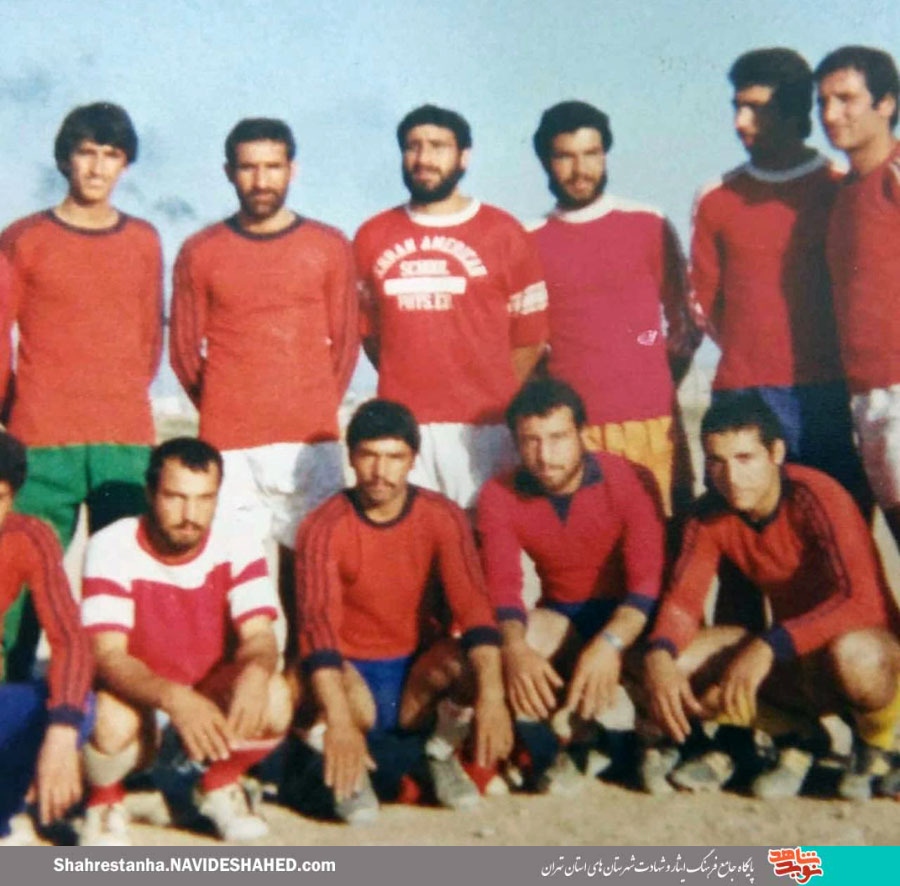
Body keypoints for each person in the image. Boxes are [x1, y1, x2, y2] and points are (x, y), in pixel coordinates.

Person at [643, 393, 900, 800]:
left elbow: (860, 602)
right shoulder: (710, 513)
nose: (731, 476)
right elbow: (682, 602)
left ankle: (878, 743)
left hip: (866, 654)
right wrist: (659, 655)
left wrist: (766, 646)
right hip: (794, 656)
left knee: (855, 654)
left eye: (745, 458)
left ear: (775, 453)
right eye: (717, 462)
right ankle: (798, 735)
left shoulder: (817, 494)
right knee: (675, 661)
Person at [170, 117, 359, 640]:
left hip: (311, 442)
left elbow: (346, 344)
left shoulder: (328, 244)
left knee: (312, 583)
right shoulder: (200, 250)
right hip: (232, 445)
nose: (261, 180)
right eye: (248, 168)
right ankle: (248, 685)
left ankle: (307, 685)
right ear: (228, 172)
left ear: (292, 170)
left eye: (272, 167)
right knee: (240, 587)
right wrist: (228, 404)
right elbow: (183, 352)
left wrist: (312, 403)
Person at [0, 102, 162, 679]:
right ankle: (9, 694)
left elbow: (150, 338)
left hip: (124, 438)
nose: (97, 168)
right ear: (65, 159)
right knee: (16, 583)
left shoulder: (143, 239)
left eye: (110, 155)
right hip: (43, 438)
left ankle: (120, 709)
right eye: (86, 153)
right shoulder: (23, 238)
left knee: (129, 582)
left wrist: (118, 394)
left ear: (125, 164)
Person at [293, 399, 513, 823]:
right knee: (308, 678)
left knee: (477, 661)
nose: (381, 471)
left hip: (416, 680)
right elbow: (318, 630)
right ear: (351, 457)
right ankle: (349, 768)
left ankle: (440, 752)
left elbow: (474, 609)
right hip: (354, 680)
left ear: (413, 459)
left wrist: (492, 694)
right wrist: (339, 719)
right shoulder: (323, 526)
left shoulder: (442, 515)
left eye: (394, 457)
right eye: (369, 456)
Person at [79, 438, 292, 845]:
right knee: (107, 718)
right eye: (175, 498)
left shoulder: (237, 540)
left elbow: (260, 636)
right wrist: (175, 699)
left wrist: (256, 670)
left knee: (275, 694)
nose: (190, 515)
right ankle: (105, 801)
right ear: (150, 493)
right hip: (144, 703)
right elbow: (108, 655)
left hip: (207, 699)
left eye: (204, 499)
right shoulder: (112, 544)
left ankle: (218, 784)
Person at [690, 48, 869, 513]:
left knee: (836, 525)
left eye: (756, 109)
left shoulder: (839, 188)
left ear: (794, 112)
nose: (740, 122)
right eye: (737, 107)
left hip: (826, 392)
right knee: (742, 536)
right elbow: (703, 302)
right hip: (741, 391)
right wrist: (752, 352)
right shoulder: (715, 198)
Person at [354, 105, 548, 511]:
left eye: (438, 146)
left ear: (464, 157)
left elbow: (529, 337)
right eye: (413, 147)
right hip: (405, 428)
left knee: (484, 542)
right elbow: (370, 335)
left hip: (486, 429)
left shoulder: (503, 231)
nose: (424, 158)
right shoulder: (372, 236)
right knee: (414, 543)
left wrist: (491, 392)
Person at [476, 378, 665, 791]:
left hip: (630, 619)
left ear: (583, 433)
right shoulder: (499, 494)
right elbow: (504, 588)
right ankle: (552, 747)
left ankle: (655, 741)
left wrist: (610, 644)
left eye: (558, 438)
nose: (545, 456)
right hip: (564, 618)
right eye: (531, 441)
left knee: (667, 655)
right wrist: (515, 648)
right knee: (513, 642)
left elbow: (646, 583)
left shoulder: (628, 478)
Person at [529, 101, 698, 517]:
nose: (580, 169)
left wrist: (655, 383)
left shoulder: (648, 223)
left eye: (591, 153)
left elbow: (685, 320)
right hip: (575, 431)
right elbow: (524, 345)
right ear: (546, 161)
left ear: (606, 154)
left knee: (668, 541)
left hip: (653, 424)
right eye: (565, 156)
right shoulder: (528, 240)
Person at [815, 47, 900, 548]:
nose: (830, 114)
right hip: (866, 396)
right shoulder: (843, 192)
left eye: (846, 99)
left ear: (886, 103)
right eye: (822, 102)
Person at [0, 432, 92, 844]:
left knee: (76, 705)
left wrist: (62, 730)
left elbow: (70, 639)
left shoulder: (26, 535)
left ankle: (11, 804)